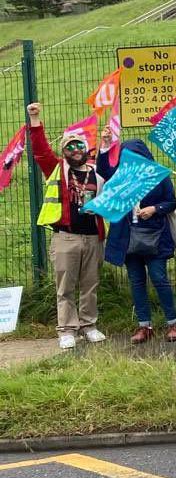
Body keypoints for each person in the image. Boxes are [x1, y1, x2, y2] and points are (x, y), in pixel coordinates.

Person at [26, 104, 107, 349]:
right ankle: (67, 329)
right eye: (69, 147)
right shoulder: (57, 170)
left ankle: (89, 325)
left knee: (90, 284)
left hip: (93, 237)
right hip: (66, 237)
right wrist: (35, 118)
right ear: (64, 152)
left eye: (79, 145)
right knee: (65, 285)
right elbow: (40, 151)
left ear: (86, 150)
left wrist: (110, 140)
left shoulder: (97, 174)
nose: (75, 149)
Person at [100, 138, 176, 343]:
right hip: (127, 239)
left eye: (136, 156)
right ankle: (144, 326)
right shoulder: (119, 176)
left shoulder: (158, 176)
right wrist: (104, 146)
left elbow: (171, 202)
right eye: (126, 156)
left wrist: (154, 209)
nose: (131, 160)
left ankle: (172, 324)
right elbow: (102, 170)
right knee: (136, 282)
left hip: (155, 237)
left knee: (159, 278)